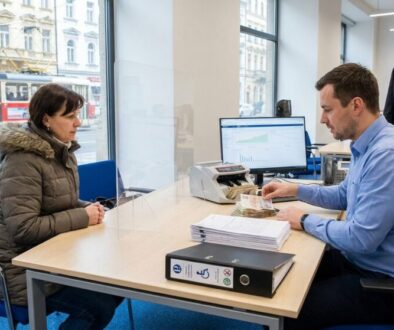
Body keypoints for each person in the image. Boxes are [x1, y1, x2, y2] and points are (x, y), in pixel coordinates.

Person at [263, 63, 394, 329]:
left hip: (380, 280)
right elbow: (345, 195)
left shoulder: (386, 154)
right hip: (358, 261)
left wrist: (304, 219)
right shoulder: (367, 144)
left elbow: (361, 238)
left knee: (286, 313)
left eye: (327, 110)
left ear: (356, 105)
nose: (323, 120)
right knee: (281, 277)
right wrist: (296, 189)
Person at [0, 84, 123, 329]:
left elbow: (56, 202)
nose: (78, 122)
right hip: (24, 271)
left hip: (59, 257)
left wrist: (89, 208)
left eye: (77, 115)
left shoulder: (60, 150)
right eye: (69, 116)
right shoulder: (22, 160)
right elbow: (23, 227)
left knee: (120, 284)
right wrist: (81, 215)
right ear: (46, 119)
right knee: (98, 307)